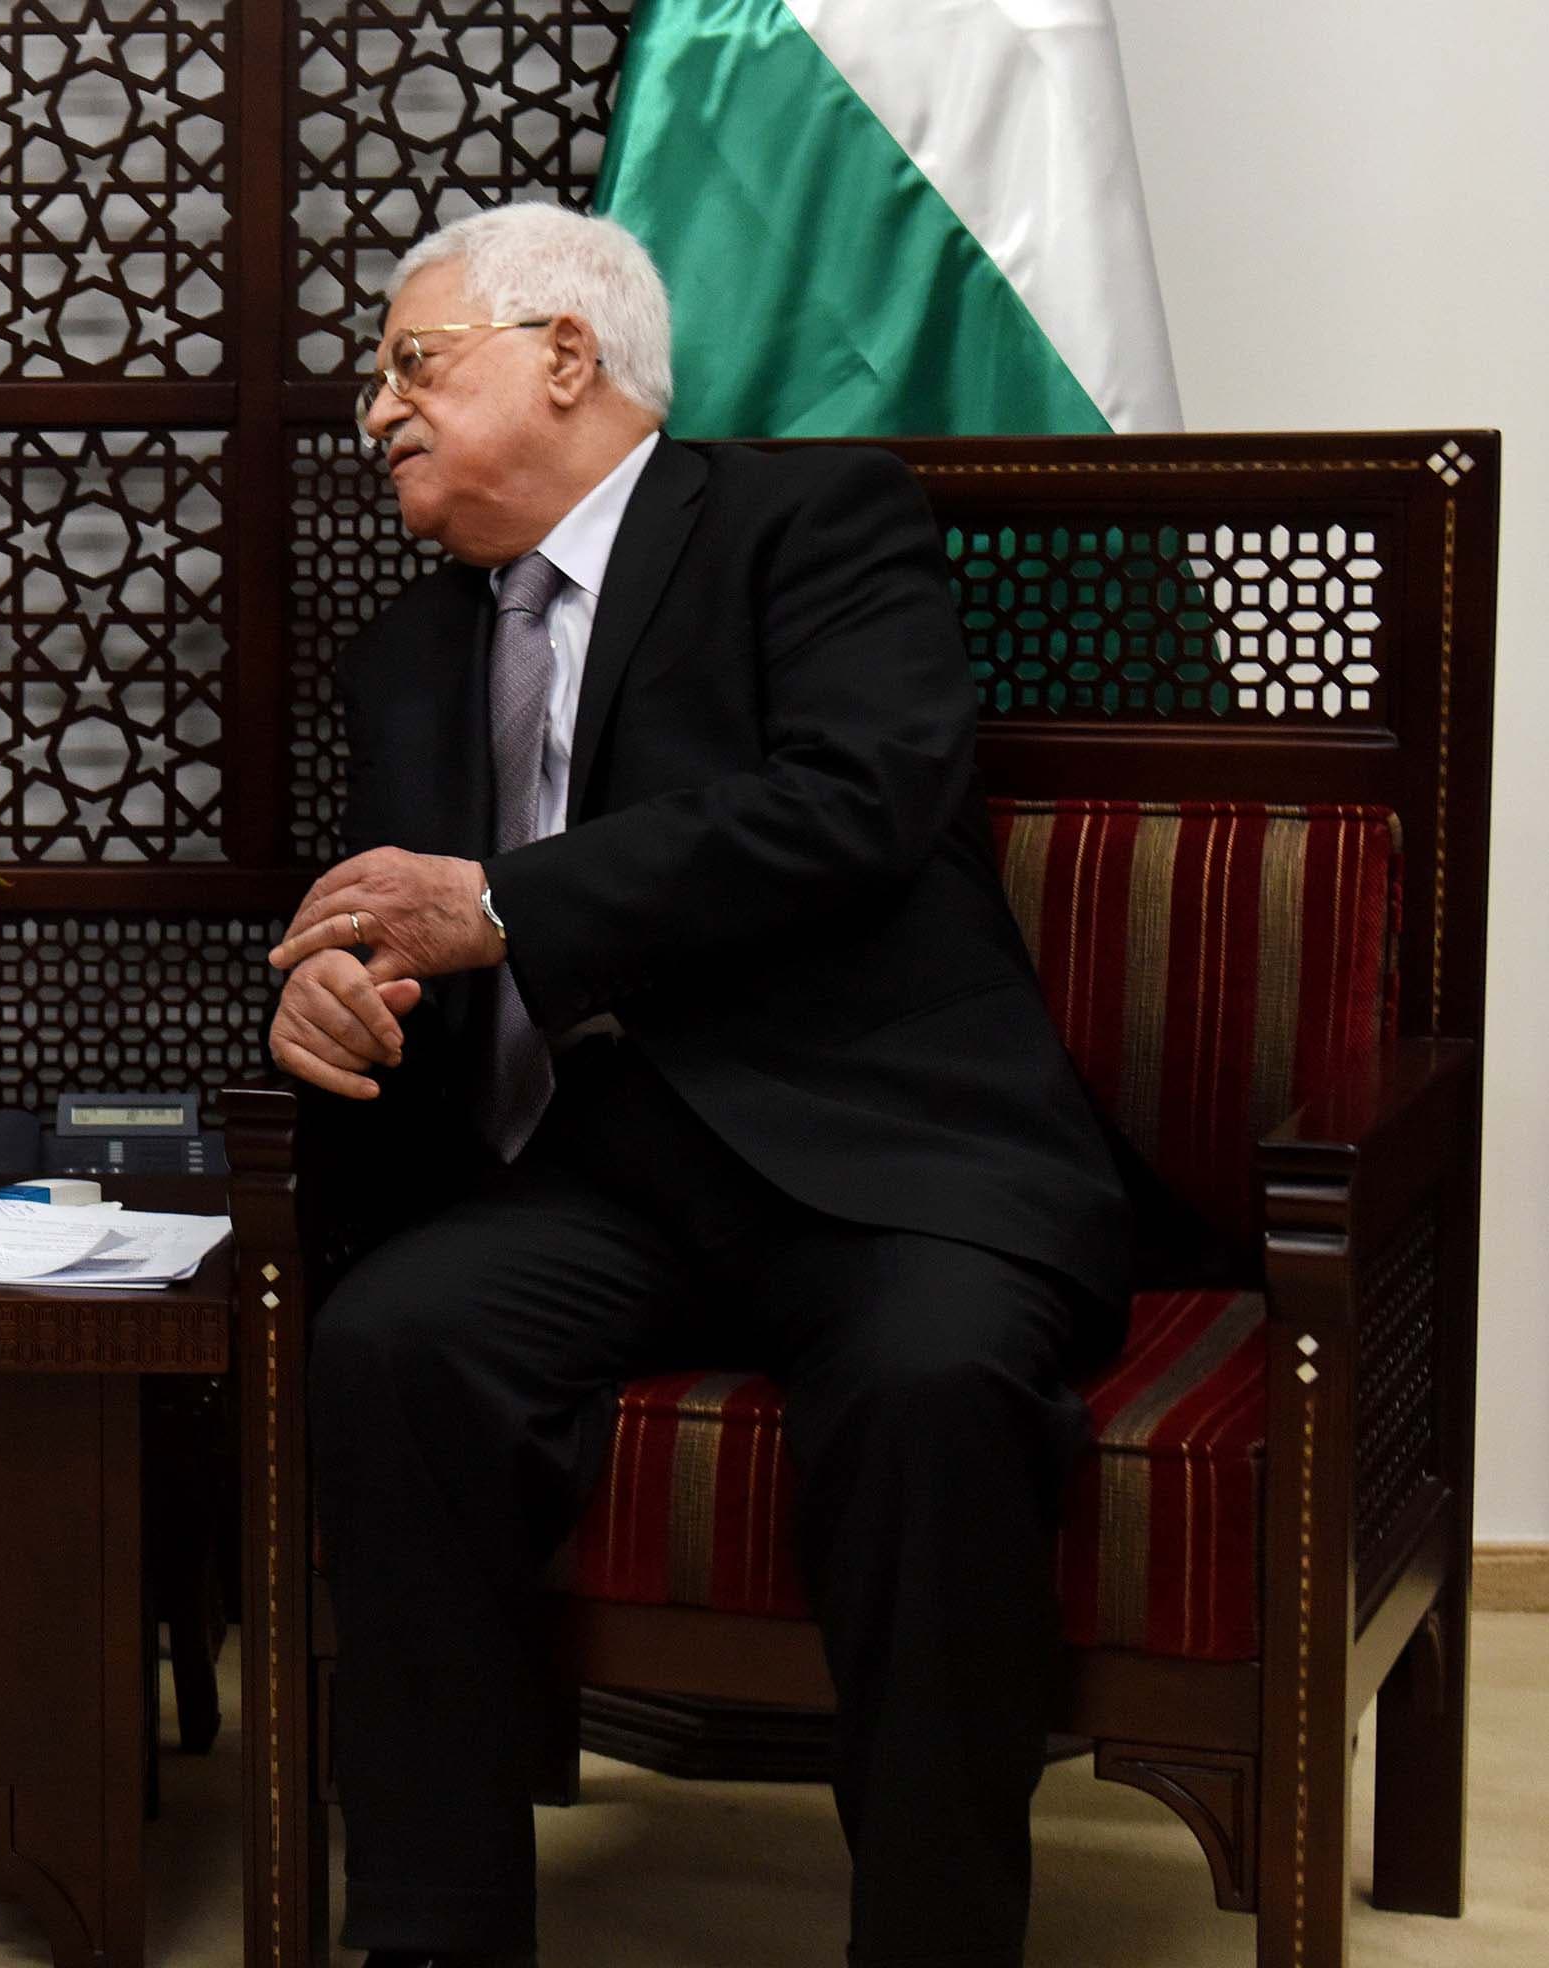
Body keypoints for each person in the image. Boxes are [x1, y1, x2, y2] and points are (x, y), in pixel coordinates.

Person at [266, 203, 1131, 1968]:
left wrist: (504, 905)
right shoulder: (407, 653)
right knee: (395, 1340)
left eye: (411, 365)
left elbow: (857, 801)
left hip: (883, 1159)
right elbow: (400, 925)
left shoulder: (809, 527)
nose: (376, 414)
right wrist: (334, 996)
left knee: (930, 1389)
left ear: (564, 356)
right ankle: (433, 1937)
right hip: (597, 1181)